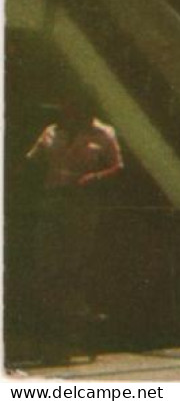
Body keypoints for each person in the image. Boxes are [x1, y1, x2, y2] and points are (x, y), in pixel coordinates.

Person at [25, 98, 123, 346]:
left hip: (82, 201)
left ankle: (74, 321)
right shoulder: (51, 132)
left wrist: (95, 177)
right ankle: (49, 317)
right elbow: (32, 160)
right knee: (47, 257)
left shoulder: (104, 133)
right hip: (52, 197)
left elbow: (118, 166)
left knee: (76, 258)